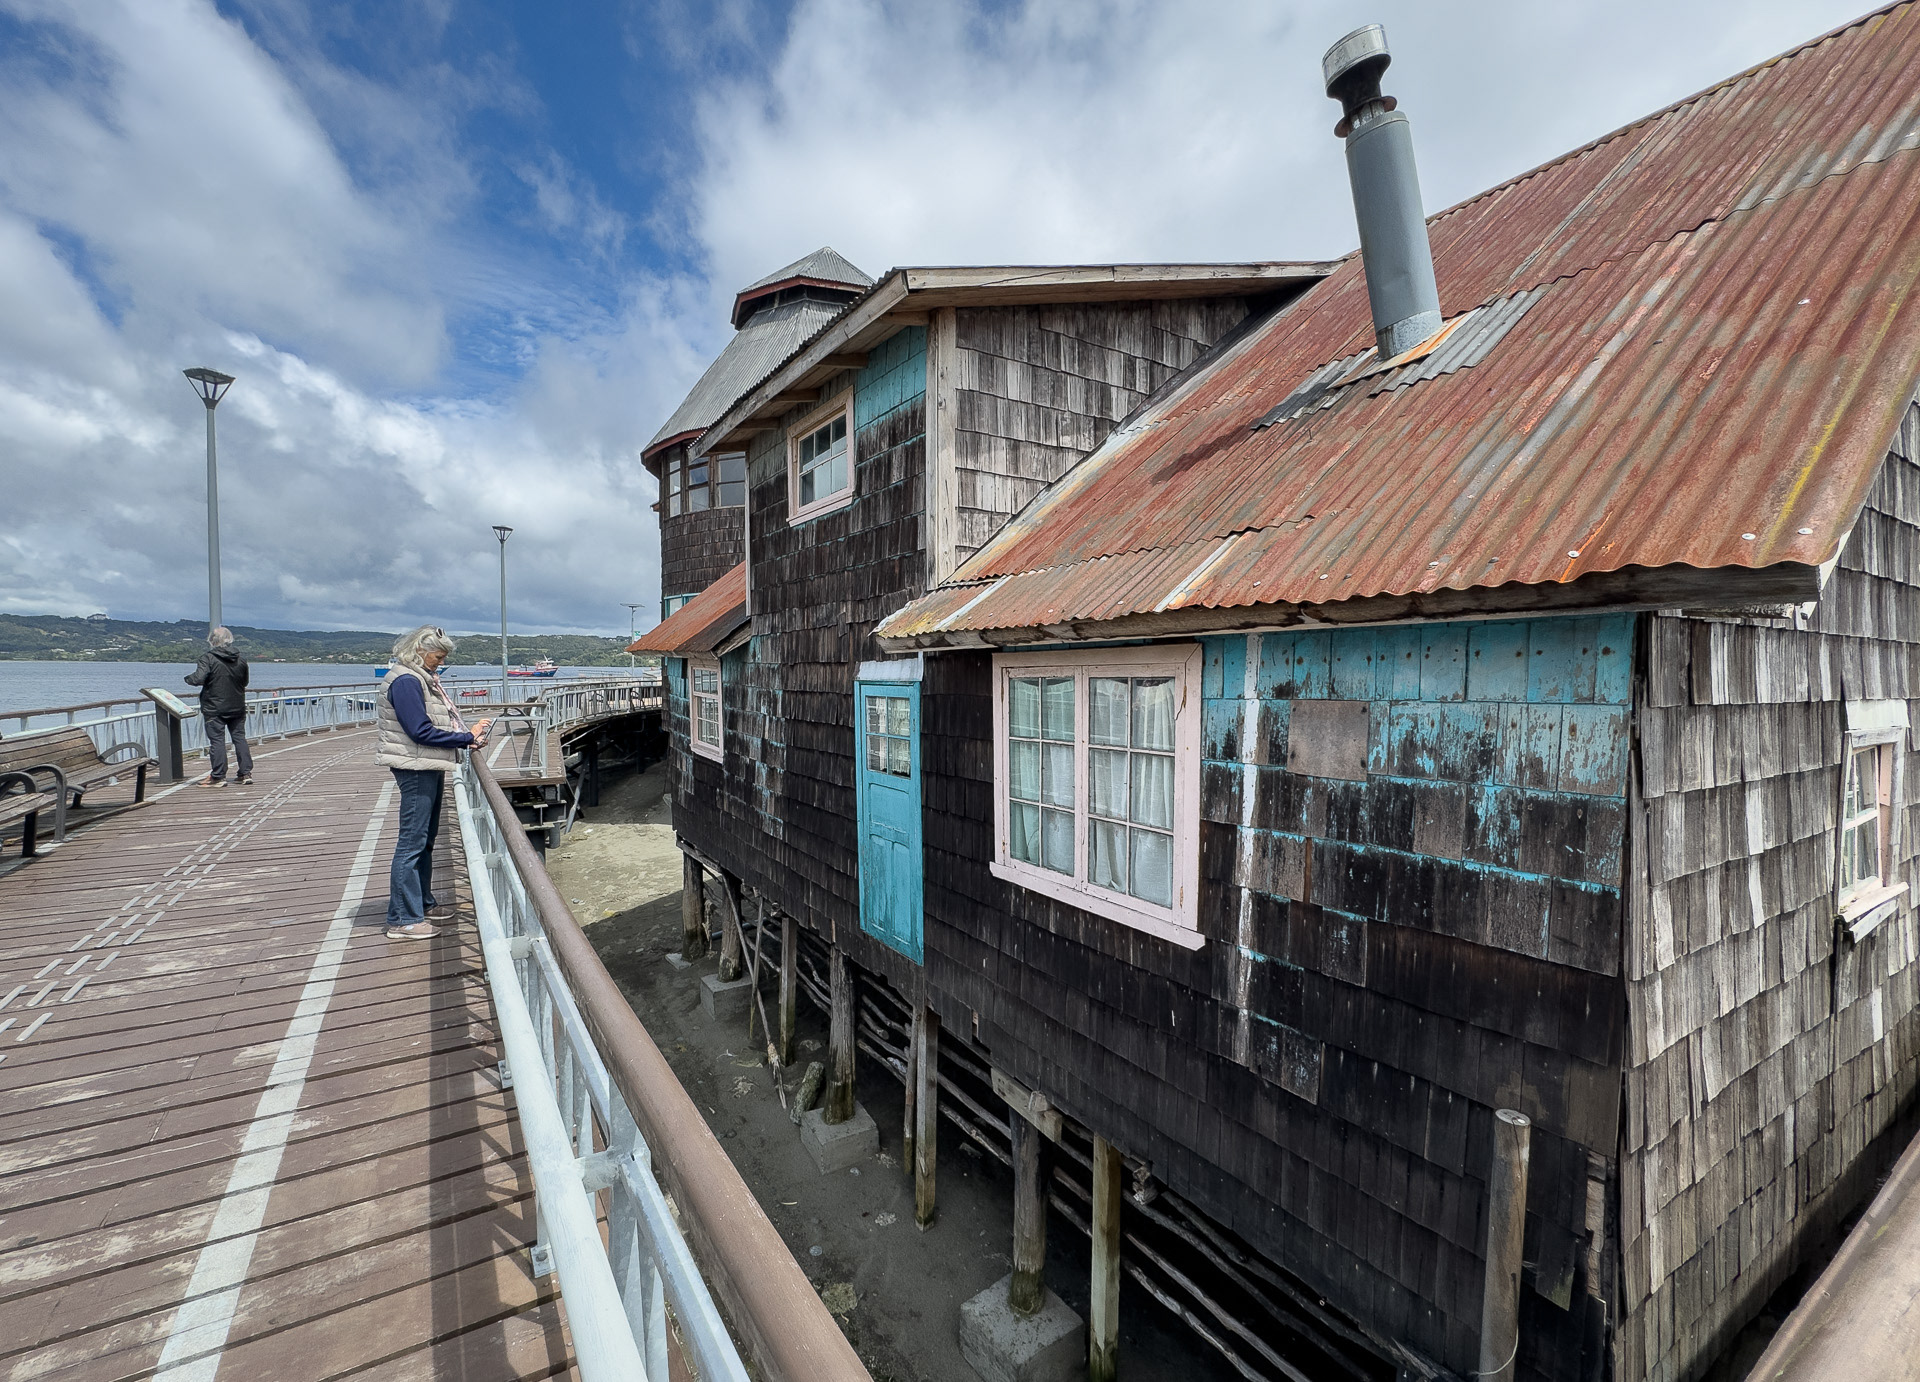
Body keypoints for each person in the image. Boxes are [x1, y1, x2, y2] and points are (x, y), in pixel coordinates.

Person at [377, 626, 491, 940]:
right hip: (415, 766)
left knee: (424, 839)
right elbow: (420, 731)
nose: (439, 663)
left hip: (425, 763)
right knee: (412, 842)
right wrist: (466, 737)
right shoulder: (406, 681)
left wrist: (463, 738)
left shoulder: (414, 678)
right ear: (420, 651)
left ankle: (422, 904)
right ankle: (402, 918)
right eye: (437, 657)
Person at [185, 626, 252, 786]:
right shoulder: (241, 659)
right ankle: (245, 773)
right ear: (230, 640)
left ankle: (218, 776)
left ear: (212, 641)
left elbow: (199, 678)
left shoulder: (207, 658)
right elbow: (245, 682)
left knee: (217, 741)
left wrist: (188, 679)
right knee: (239, 738)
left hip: (214, 708)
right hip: (237, 706)